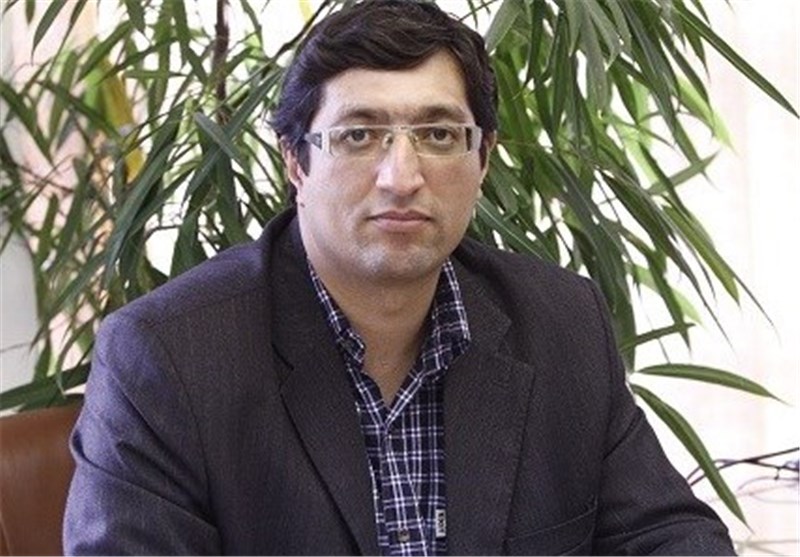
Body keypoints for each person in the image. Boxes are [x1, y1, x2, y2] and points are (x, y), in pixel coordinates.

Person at [63, 1, 736, 555]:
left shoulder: (560, 320)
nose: (401, 176)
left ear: (483, 158)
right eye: (359, 135)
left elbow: (668, 536)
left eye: (438, 135)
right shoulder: (167, 357)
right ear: (296, 162)